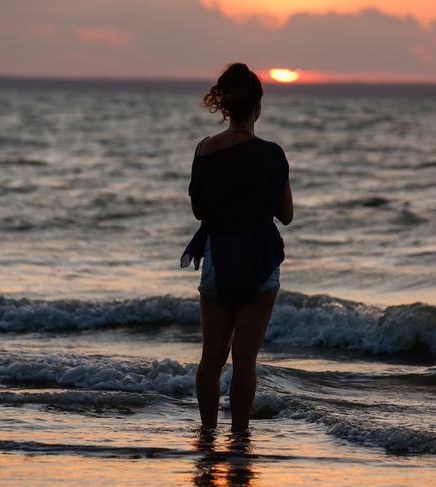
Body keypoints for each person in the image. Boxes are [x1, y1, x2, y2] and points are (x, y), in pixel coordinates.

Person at [180, 62, 293, 432]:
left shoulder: (204, 151)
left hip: (217, 256)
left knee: (211, 358)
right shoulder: (272, 154)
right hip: (259, 259)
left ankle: (208, 434)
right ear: (258, 106)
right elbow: (287, 215)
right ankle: (240, 438)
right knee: (245, 360)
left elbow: (199, 210)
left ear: (225, 106)